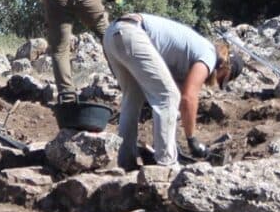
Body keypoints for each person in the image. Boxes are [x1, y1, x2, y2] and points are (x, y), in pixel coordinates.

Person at [103, 13, 243, 170]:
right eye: (223, 79)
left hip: (113, 34)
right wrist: (191, 139)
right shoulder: (209, 55)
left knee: (133, 99)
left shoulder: (188, 57)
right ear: (225, 66)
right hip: (133, 33)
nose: (217, 82)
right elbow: (188, 98)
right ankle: (166, 165)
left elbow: (176, 99)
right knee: (169, 96)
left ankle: (126, 162)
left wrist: (172, 140)